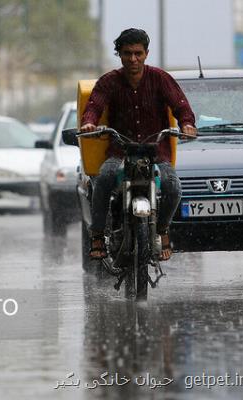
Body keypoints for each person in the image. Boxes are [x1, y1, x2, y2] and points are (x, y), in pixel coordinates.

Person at [80, 28, 197, 262]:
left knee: (173, 187)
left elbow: (181, 106)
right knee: (103, 179)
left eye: (138, 53)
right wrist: (89, 123)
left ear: (146, 54)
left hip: (157, 152)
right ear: (120, 55)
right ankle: (97, 235)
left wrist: (187, 124)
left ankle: (162, 228)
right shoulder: (109, 81)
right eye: (127, 54)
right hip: (120, 152)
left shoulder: (160, 78)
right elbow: (93, 106)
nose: (133, 59)